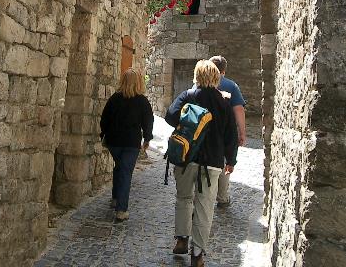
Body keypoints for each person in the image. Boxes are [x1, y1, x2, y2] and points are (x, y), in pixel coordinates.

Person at [165, 60, 238, 267]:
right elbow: (231, 135)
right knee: (205, 207)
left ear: (196, 75)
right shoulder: (223, 102)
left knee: (184, 198)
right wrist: (231, 160)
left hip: (187, 158)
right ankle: (197, 254)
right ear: (217, 77)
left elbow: (170, 117)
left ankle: (181, 239)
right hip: (212, 161)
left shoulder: (188, 96)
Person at [100, 68, 154, 222]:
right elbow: (148, 122)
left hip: (114, 142)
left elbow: (104, 119)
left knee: (120, 167)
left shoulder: (114, 99)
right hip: (131, 143)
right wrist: (147, 139)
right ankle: (121, 209)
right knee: (125, 172)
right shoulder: (142, 101)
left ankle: (116, 197)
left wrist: (104, 134)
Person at [208, 55, 247, 207]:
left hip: (203, 130)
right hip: (223, 131)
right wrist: (242, 132)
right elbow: (239, 109)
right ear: (223, 71)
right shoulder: (231, 86)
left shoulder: (199, 83)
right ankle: (222, 197)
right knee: (224, 160)